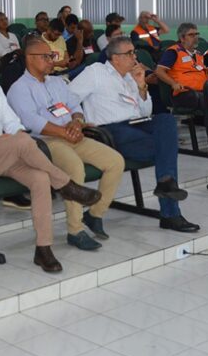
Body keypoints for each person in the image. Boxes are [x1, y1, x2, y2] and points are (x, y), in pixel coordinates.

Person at [0, 44, 102, 272]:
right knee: (22, 141)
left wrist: (14, 135)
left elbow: (12, 122)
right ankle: (66, 185)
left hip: (4, 154)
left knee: (40, 178)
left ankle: (43, 249)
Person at [68, 36, 200, 233]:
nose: (134, 57)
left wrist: (141, 86)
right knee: (166, 150)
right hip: (110, 130)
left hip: (138, 124)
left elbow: (145, 111)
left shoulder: (130, 76)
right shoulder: (95, 73)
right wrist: (79, 118)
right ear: (115, 57)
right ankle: (170, 213)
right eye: (129, 53)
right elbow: (68, 96)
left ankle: (166, 186)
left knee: (165, 119)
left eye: (134, 53)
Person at [7, 36, 125, 251]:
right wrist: (64, 131)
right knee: (75, 168)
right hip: (46, 142)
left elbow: (75, 106)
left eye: (52, 55)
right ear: (29, 58)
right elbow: (31, 121)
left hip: (73, 135)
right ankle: (75, 230)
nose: (52, 60)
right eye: (46, 56)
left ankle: (95, 214)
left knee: (115, 161)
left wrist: (77, 123)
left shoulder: (57, 82)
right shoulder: (19, 88)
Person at [155, 22, 208, 109]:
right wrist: (173, 83)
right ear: (182, 38)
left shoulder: (199, 54)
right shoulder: (173, 52)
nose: (195, 37)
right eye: (191, 35)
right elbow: (159, 70)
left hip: (203, 91)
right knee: (207, 100)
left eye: (196, 34)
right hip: (184, 93)